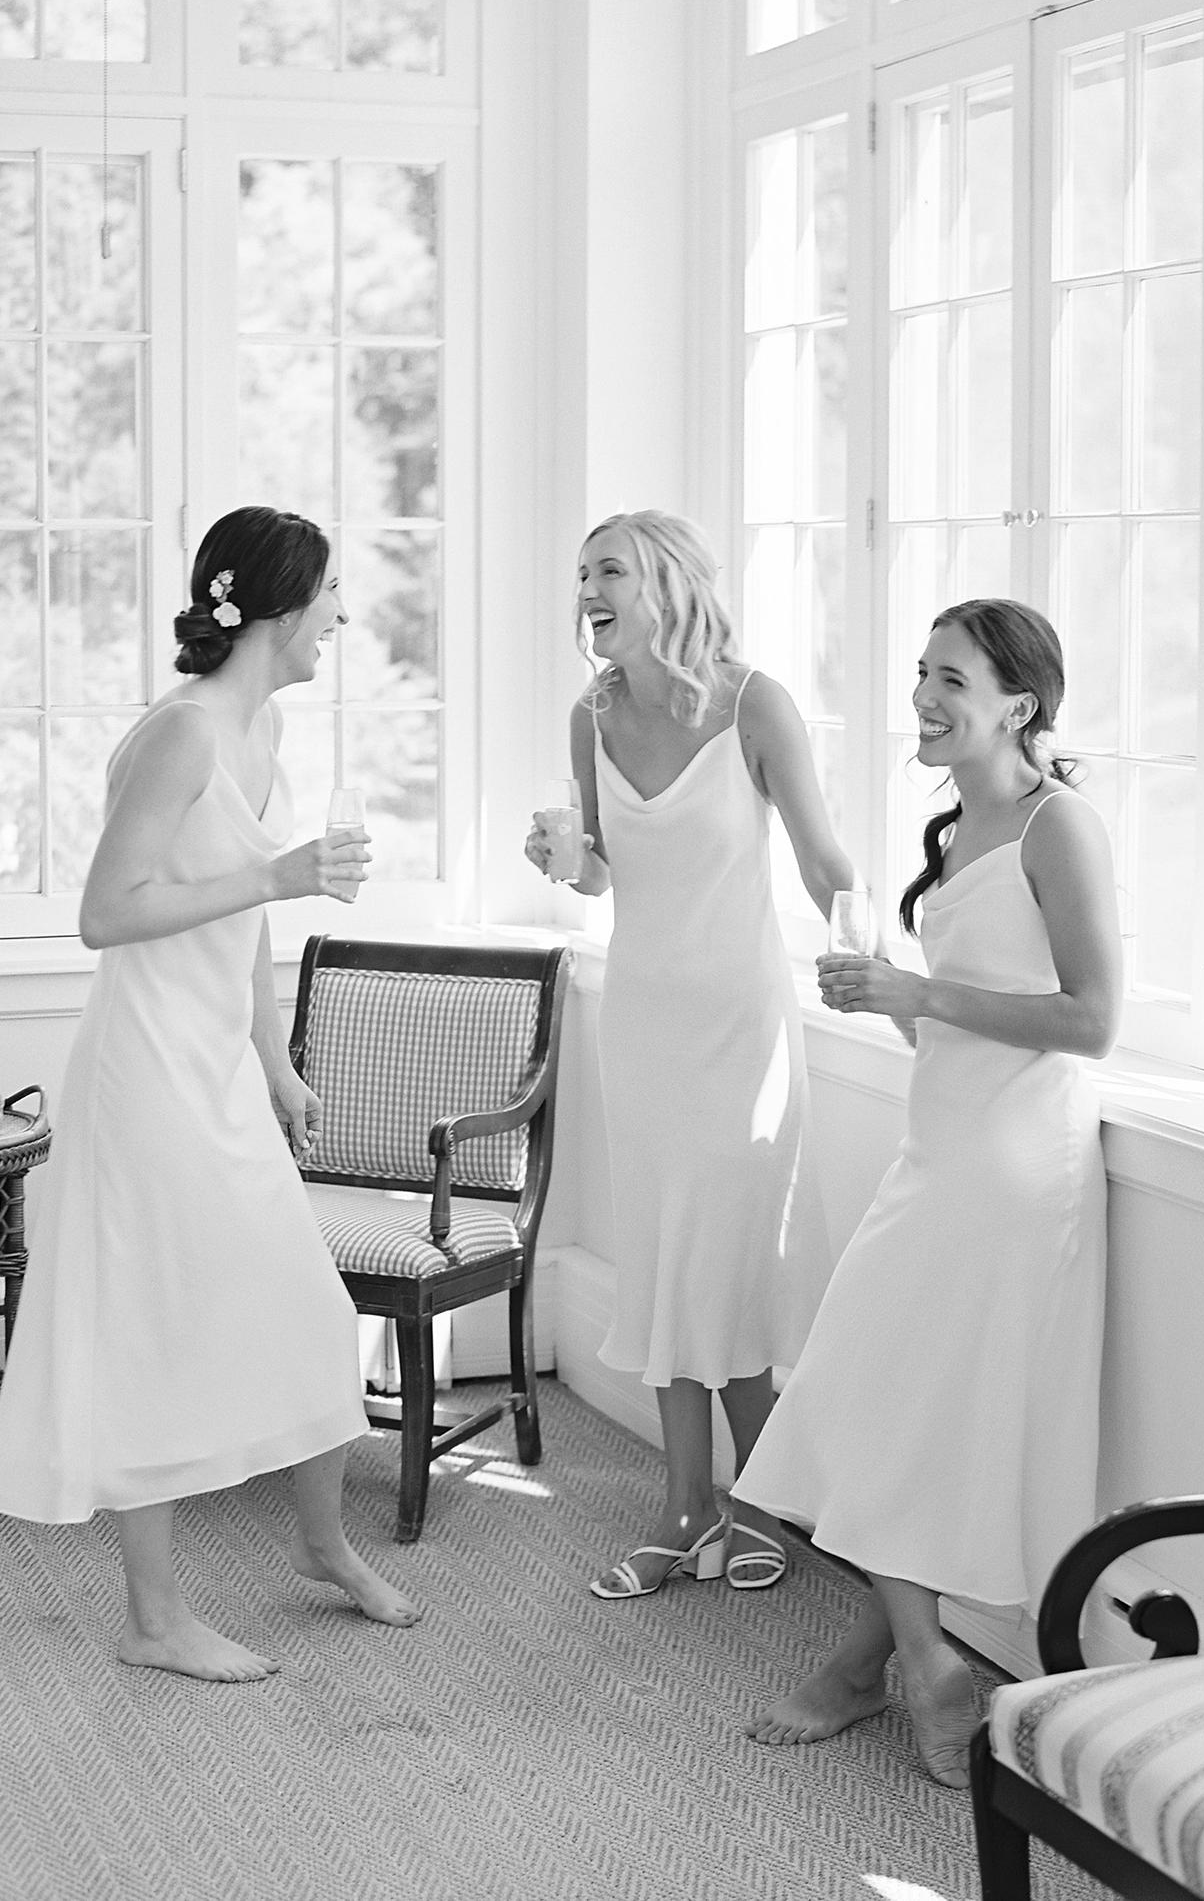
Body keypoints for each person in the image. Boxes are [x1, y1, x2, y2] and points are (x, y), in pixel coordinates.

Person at [0, 506, 421, 1679]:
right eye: (329, 596)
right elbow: (104, 917)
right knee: (152, 1331)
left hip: (216, 1067)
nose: (342, 617)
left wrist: (275, 1061)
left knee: (312, 1314)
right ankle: (156, 1622)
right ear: (274, 604)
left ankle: (322, 1546)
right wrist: (276, 870)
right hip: (146, 1076)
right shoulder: (182, 736)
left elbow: (242, 920)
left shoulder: (258, 727)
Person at [732, 597, 1121, 1787]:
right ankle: (902, 1661)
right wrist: (892, 997)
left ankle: (914, 1669)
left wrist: (918, 997)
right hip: (941, 1148)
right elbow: (956, 1022)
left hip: (1016, 1172)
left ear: (1019, 702)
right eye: (920, 672)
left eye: (950, 678)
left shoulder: (1062, 827)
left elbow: (1092, 1021)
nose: (924, 696)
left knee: (896, 1409)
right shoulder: (957, 831)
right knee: (875, 1404)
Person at [526, 509, 855, 1601]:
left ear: (666, 580)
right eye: (581, 576)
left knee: (736, 1257)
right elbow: (603, 871)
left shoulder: (754, 701)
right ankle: (686, 1506)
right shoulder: (593, 713)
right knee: (669, 1256)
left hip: (742, 1028)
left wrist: (878, 946)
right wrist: (563, 860)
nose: (588, 591)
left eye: (607, 570)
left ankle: (753, 1496)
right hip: (646, 1028)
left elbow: (820, 857)